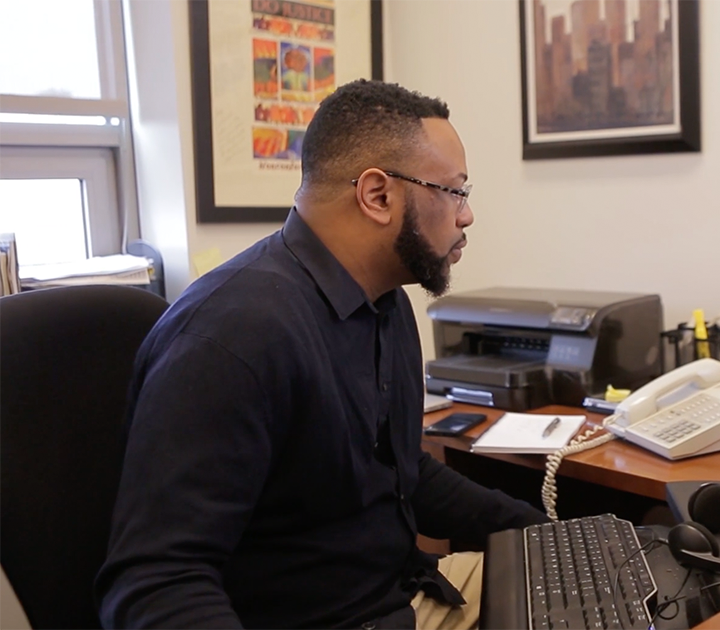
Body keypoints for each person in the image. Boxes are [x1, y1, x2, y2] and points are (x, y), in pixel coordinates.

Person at [95, 80, 549, 629]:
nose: (466, 214)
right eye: (453, 191)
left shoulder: (384, 304)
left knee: (615, 595)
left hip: (404, 595)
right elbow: (156, 585)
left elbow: (405, 475)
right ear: (377, 195)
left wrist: (551, 528)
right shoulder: (232, 337)